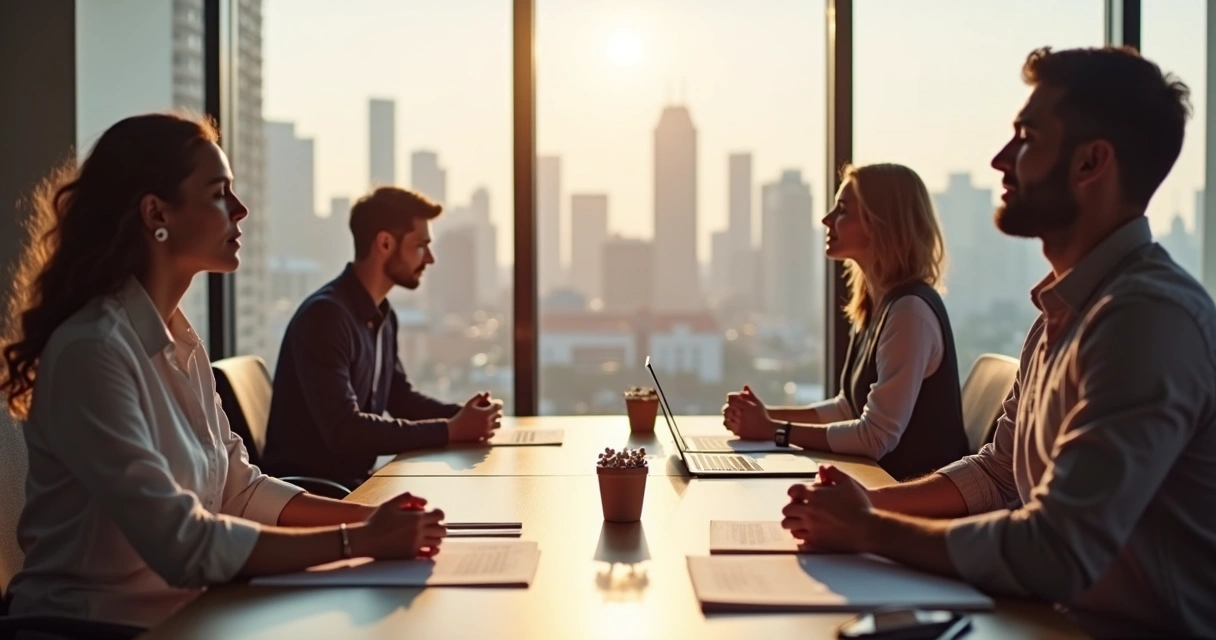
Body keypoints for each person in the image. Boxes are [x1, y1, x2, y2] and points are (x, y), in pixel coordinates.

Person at [780, 46, 1216, 637]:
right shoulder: (1060, 314)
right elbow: (1000, 475)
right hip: (1040, 619)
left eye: (1027, 138)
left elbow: (1055, 549)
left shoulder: (1146, 319)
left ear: (1091, 163)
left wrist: (867, 530)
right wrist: (866, 504)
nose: (999, 159)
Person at [0, 113, 446, 634]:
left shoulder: (179, 342)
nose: (241, 209)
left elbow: (240, 490)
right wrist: (360, 542)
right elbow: (185, 545)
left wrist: (371, 519)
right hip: (97, 627)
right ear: (155, 213)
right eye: (219, 193)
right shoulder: (92, 351)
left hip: (192, 614)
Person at [723, 163, 967, 480]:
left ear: (881, 223)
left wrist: (775, 430)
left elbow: (874, 437)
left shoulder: (909, 314)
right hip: (877, 484)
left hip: (909, 500)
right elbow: (848, 408)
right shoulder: (877, 302)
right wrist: (764, 416)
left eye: (842, 210)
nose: (826, 220)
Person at [261, 187, 503, 488]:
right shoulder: (325, 317)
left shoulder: (382, 315)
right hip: (319, 493)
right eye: (420, 245)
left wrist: (464, 417)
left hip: (356, 484)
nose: (430, 258)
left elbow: (398, 397)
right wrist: (450, 430)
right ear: (385, 243)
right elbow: (345, 430)